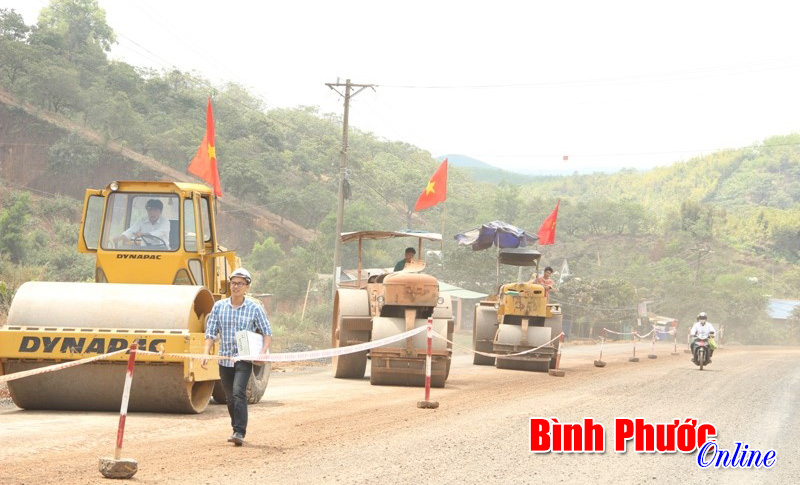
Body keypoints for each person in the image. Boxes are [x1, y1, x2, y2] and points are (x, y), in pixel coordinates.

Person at [201, 268, 272, 447]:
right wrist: (205, 353)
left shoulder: (254, 309)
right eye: (233, 283)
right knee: (229, 397)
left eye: (240, 283)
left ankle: (239, 431)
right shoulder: (219, 307)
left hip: (244, 358)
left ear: (247, 287)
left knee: (238, 392)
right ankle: (235, 428)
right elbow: (210, 333)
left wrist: (263, 351)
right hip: (225, 359)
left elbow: (267, 332)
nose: (236, 286)